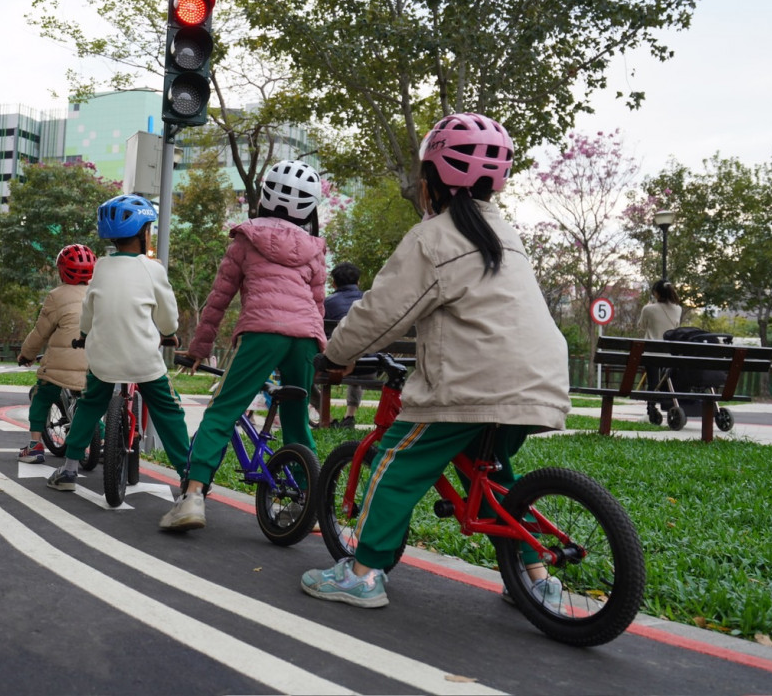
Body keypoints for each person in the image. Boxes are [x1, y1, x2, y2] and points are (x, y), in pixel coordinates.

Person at [300, 113, 570, 608]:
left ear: (431, 182)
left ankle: (363, 574)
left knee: (395, 463)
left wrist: (334, 356)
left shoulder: (433, 237)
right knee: (489, 475)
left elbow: (381, 314)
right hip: (542, 382)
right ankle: (537, 579)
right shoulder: (506, 235)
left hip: (471, 385)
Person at [163, 159, 328, 532]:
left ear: (266, 195)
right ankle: (308, 504)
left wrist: (199, 348)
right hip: (304, 340)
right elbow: (317, 305)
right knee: (296, 420)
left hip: (262, 334)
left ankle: (191, 498)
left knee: (222, 413)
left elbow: (218, 300)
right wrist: (323, 349)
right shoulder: (313, 247)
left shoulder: (246, 238)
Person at [44, 194, 191, 493]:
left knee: (89, 405)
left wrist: (84, 336)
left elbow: (89, 312)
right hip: (144, 361)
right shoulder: (153, 269)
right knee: (169, 411)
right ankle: (189, 476)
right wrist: (169, 332)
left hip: (103, 361)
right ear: (143, 233)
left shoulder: (101, 267)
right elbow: (168, 315)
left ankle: (69, 470)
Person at [16, 244, 96, 464]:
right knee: (94, 402)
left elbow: (40, 333)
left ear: (61, 270)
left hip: (61, 363)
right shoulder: (100, 293)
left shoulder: (56, 296)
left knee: (41, 395)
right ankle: (103, 445)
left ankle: (34, 447)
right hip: (97, 363)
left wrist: (26, 355)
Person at [322, 262, 364, 430]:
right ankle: (350, 416)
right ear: (358, 282)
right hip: (371, 367)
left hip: (333, 366)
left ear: (333, 283)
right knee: (359, 354)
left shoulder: (327, 303)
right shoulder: (369, 301)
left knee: (305, 375)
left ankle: (329, 419)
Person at [638, 279, 683, 404]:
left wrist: (648, 306)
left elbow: (641, 326)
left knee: (653, 382)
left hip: (651, 353)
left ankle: (651, 410)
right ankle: (668, 406)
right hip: (669, 353)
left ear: (657, 293)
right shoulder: (678, 309)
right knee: (666, 381)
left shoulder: (648, 309)